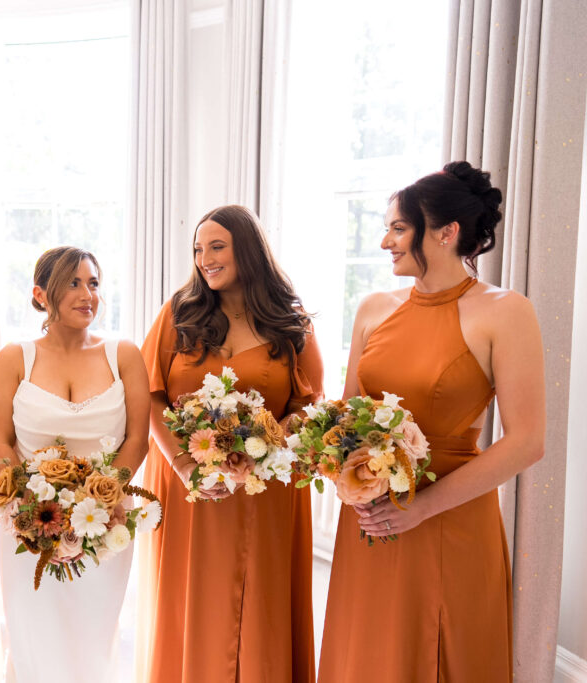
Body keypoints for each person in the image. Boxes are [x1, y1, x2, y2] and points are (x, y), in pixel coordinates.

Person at [318, 161, 545, 681]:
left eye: (398, 228)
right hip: (373, 517)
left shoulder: (506, 312)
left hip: (450, 518)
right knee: (367, 655)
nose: (385, 242)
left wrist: (420, 509)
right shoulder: (373, 308)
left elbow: (528, 441)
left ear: (446, 233)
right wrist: (346, 477)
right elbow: (344, 417)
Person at [137, 205, 322, 683]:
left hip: (267, 489)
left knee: (261, 603)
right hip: (189, 487)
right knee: (192, 600)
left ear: (248, 249)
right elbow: (150, 395)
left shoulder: (290, 320)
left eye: (216, 246)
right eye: (198, 249)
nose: (204, 259)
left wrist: (261, 449)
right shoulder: (180, 312)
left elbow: (309, 403)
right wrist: (184, 464)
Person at [0, 246, 150, 683]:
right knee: (32, 634)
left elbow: (138, 439)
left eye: (93, 283)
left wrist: (104, 497)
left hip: (105, 521)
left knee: (93, 637)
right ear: (41, 295)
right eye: (73, 283)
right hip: (28, 523)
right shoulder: (13, 358)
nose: (87, 294)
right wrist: (29, 506)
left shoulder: (124, 355)